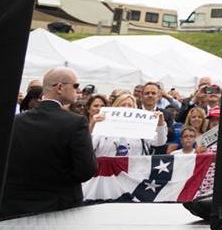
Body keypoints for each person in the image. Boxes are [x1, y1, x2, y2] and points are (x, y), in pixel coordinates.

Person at [1, 67, 97, 217]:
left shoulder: (16, 121)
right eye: (76, 86)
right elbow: (86, 170)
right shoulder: (76, 122)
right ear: (60, 87)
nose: (78, 90)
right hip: (60, 209)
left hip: (15, 207)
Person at [90, 93, 167, 157]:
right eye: (123, 105)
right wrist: (92, 125)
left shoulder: (141, 127)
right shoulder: (103, 126)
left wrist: (160, 124)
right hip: (106, 172)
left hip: (133, 172)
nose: (126, 108)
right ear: (115, 107)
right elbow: (89, 146)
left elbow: (159, 142)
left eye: (130, 105)